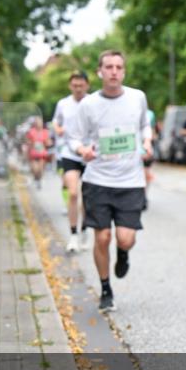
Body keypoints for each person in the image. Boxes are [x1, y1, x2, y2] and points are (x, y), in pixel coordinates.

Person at [69, 50, 152, 312]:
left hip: (130, 181)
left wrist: (148, 142)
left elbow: (144, 127)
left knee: (125, 239)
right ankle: (106, 289)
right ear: (100, 72)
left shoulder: (137, 97)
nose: (114, 71)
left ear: (124, 72)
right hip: (98, 181)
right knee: (102, 237)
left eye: (118, 67)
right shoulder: (88, 104)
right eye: (109, 67)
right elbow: (73, 138)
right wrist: (82, 151)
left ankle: (124, 253)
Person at [53, 72, 91, 252]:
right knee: (74, 193)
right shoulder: (63, 104)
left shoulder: (93, 102)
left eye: (81, 85)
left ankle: (85, 230)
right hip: (69, 152)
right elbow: (56, 121)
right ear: (70, 86)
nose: (78, 88)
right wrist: (58, 129)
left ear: (87, 86)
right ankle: (73, 235)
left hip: (90, 154)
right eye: (74, 85)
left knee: (87, 198)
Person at [25, 116, 52, 189]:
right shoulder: (31, 131)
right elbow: (27, 141)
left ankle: (39, 180)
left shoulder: (45, 131)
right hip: (33, 153)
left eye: (40, 122)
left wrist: (48, 143)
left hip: (42, 153)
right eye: (37, 122)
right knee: (35, 169)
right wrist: (31, 143)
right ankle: (36, 179)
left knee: (40, 168)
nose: (39, 124)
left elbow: (48, 141)